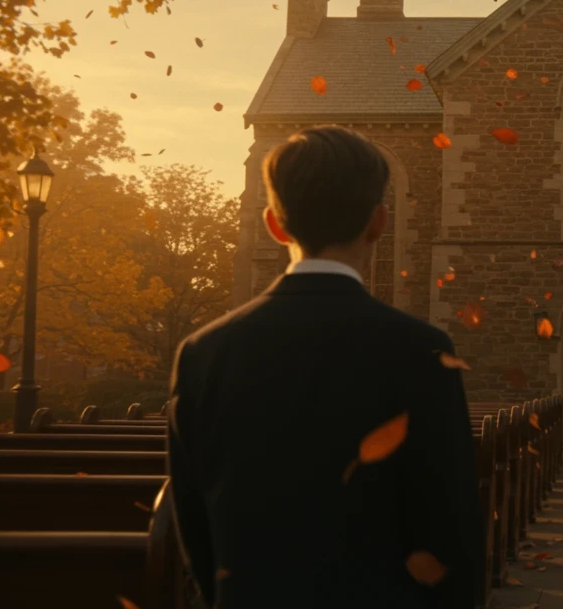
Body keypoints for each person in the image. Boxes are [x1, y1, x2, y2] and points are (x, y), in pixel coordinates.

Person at [167, 125, 483, 608]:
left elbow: (195, 529)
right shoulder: (422, 351)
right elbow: (450, 528)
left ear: (275, 224)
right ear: (378, 222)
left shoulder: (203, 352)